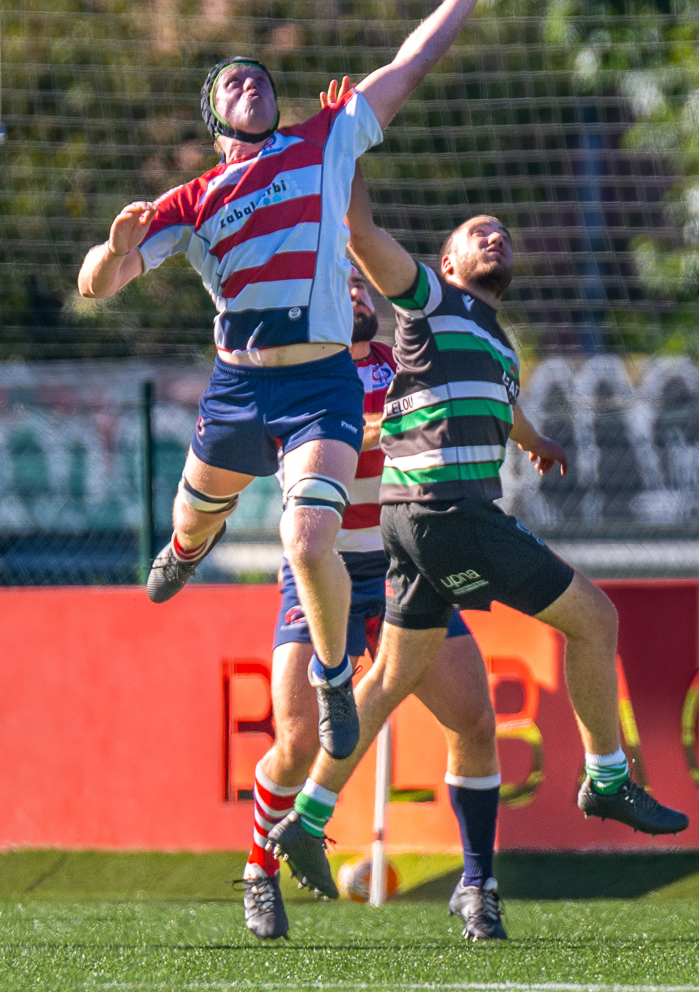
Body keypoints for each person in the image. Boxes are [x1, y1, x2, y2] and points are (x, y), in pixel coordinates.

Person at [77, 0, 528, 764]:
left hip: (319, 384)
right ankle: (184, 550)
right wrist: (113, 248)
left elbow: (409, 67)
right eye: (230, 82)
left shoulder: (323, 142)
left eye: (257, 74)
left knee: (306, 539)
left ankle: (329, 682)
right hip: (239, 390)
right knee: (193, 516)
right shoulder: (194, 198)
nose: (248, 80)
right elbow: (96, 287)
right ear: (216, 122)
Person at [268, 167, 690, 902]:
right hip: (449, 512)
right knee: (596, 619)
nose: (494, 236)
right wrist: (351, 149)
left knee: (392, 677)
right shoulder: (431, 303)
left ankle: (307, 816)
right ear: (448, 264)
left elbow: (505, 402)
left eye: (502, 230)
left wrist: (536, 440)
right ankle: (607, 780)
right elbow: (362, 235)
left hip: (412, 524)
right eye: (476, 232)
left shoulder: (497, 343)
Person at [241, 268, 506, 943]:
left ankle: (478, 885)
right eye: (342, 287)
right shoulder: (295, 375)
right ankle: (259, 873)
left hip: (403, 563)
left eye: (363, 287)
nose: (358, 295)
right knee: (297, 743)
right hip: (323, 570)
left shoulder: (405, 363)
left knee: (474, 721)